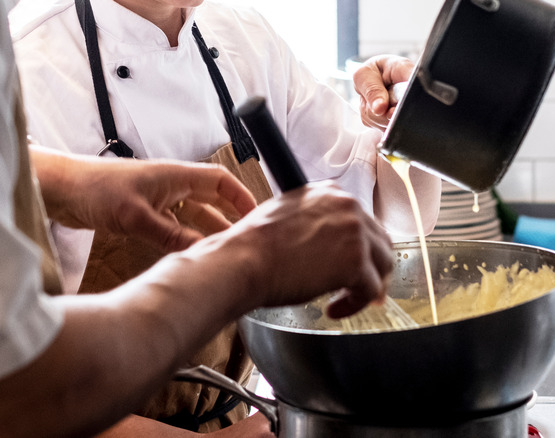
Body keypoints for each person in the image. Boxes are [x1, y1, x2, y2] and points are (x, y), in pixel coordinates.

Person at [9, 0, 440, 435]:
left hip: (238, 417)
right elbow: (17, 390)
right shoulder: (28, 67)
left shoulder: (242, 36)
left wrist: (414, 118)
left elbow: (397, 215)